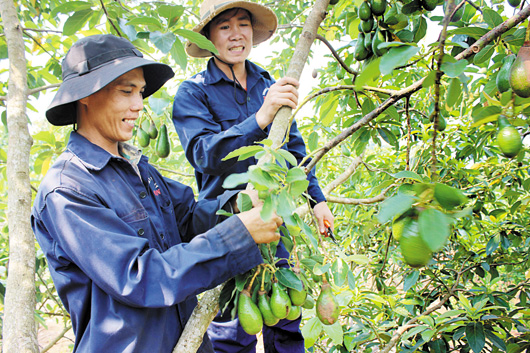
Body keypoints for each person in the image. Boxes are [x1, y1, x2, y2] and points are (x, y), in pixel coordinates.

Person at [31, 34, 284, 353]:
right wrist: (238, 235)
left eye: (140, 93)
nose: (138, 106)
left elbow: (189, 219)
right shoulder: (68, 188)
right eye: (126, 92)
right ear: (87, 96)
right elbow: (138, 277)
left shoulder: (139, 168)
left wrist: (236, 203)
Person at [172, 1, 334, 352]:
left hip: (277, 220)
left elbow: (294, 148)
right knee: (233, 331)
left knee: (286, 320)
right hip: (228, 223)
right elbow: (203, 153)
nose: (236, 34)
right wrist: (260, 117)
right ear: (209, 36)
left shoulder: (268, 82)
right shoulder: (193, 92)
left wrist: (318, 200)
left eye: (242, 24)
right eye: (225, 26)